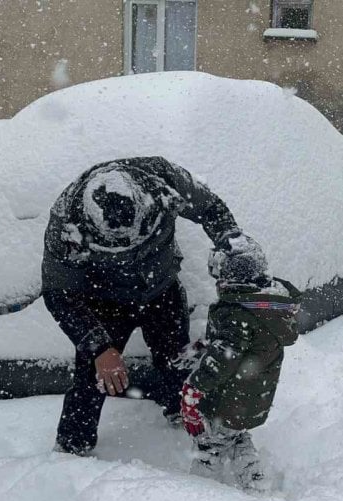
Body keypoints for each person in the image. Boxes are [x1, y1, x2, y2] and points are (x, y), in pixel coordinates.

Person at [42, 156, 266, 456]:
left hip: (161, 290)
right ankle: (70, 451)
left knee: (176, 362)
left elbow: (210, 208)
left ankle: (182, 421)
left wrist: (231, 243)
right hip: (105, 301)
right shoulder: (66, 219)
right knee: (91, 381)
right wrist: (99, 348)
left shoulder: (164, 181)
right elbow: (58, 293)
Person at [179, 257, 301, 491]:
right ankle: (254, 480)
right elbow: (239, 345)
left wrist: (194, 387)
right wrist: (206, 345)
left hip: (229, 398)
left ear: (232, 283)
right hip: (249, 397)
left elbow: (224, 358)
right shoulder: (265, 309)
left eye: (221, 277)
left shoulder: (237, 314)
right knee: (233, 434)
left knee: (211, 444)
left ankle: (197, 491)